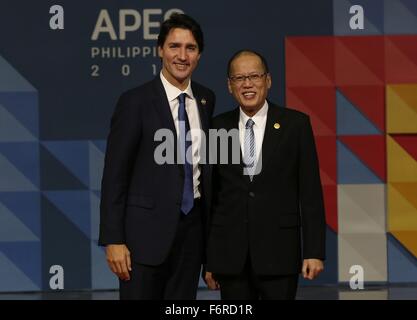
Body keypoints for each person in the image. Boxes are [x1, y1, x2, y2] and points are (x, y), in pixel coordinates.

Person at [98, 13, 215, 300]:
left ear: (199, 54)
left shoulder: (206, 99)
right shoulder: (134, 102)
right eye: (174, 46)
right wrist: (114, 239)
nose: (182, 55)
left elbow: (206, 172)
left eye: (190, 48)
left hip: (192, 235)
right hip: (143, 239)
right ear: (160, 50)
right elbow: (115, 176)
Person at [205, 50, 325, 300]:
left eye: (254, 76)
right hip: (231, 260)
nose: (247, 84)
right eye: (239, 78)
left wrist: (314, 251)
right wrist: (210, 260)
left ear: (268, 81)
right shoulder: (217, 127)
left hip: (279, 255)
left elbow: (311, 193)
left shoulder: (296, 125)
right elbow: (212, 197)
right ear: (229, 86)